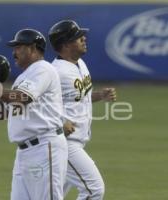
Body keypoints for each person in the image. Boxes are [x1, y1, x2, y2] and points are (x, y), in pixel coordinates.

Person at [0, 29, 68, 200]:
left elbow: (22, 98)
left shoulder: (43, 69)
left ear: (32, 48)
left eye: (18, 47)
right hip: (25, 153)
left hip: (45, 148)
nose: (14, 52)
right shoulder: (24, 77)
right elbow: (2, 113)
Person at [48, 19, 117, 200]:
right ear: (65, 44)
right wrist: (61, 121)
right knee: (93, 189)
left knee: (52, 196)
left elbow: (78, 98)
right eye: (78, 37)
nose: (84, 38)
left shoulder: (80, 64)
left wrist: (100, 95)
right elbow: (39, 104)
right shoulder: (55, 72)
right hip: (64, 142)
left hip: (78, 140)